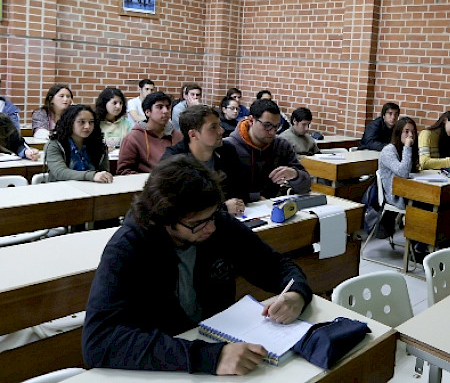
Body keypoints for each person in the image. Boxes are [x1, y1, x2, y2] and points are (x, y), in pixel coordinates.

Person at [82, 155, 312, 375]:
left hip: (218, 344)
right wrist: (211, 357)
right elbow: (98, 343)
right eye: (197, 223)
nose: (211, 228)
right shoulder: (128, 247)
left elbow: (276, 265)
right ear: (165, 219)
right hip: (167, 363)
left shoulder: (217, 223)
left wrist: (296, 293)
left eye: (212, 216)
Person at [162, 105, 248, 216]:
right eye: (213, 127)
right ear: (193, 134)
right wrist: (222, 208)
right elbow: (177, 207)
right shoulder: (173, 161)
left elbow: (241, 191)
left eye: (219, 125)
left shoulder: (227, 150)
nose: (221, 130)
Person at [224, 99, 311, 202]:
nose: (272, 132)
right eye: (267, 126)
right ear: (251, 121)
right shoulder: (228, 147)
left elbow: (305, 187)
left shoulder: (282, 146)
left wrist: (295, 175)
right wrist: (254, 198)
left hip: (273, 205)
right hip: (242, 207)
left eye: (276, 126)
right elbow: (222, 191)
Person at [117, 92, 183, 174]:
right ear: (147, 112)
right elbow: (124, 171)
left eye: (168, 107)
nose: (165, 111)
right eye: (160, 107)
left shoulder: (178, 136)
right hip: (146, 181)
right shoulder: (133, 138)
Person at [45, 104, 112, 183]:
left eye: (91, 122)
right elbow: (60, 172)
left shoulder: (99, 144)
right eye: (81, 122)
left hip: (92, 188)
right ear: (70, 122)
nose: (87, 126)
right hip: (62, 188)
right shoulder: (54, 145)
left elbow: (104, 172)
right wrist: (92, 175)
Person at [378, 116, 419, 210]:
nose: (411, 135)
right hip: (396, 196)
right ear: (398, 133)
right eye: (406, 131)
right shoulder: (388, 150)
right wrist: (407, 147)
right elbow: (403, 173)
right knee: (427, 203)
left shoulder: (410, 149)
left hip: (409, 189)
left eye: (413, 132)